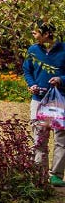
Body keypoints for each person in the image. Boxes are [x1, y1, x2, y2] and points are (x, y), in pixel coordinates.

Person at [23, 20, 65, 186]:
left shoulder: (63, 49)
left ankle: (56, 175)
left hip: (60, 100)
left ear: (46, 34)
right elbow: (27, 69)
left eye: (35, 32)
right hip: (39, 100)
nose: (33, 35)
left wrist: (61, 80)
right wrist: (31, 83)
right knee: (39, 138)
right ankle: (39, 175)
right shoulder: (32, 50)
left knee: (61, 139)